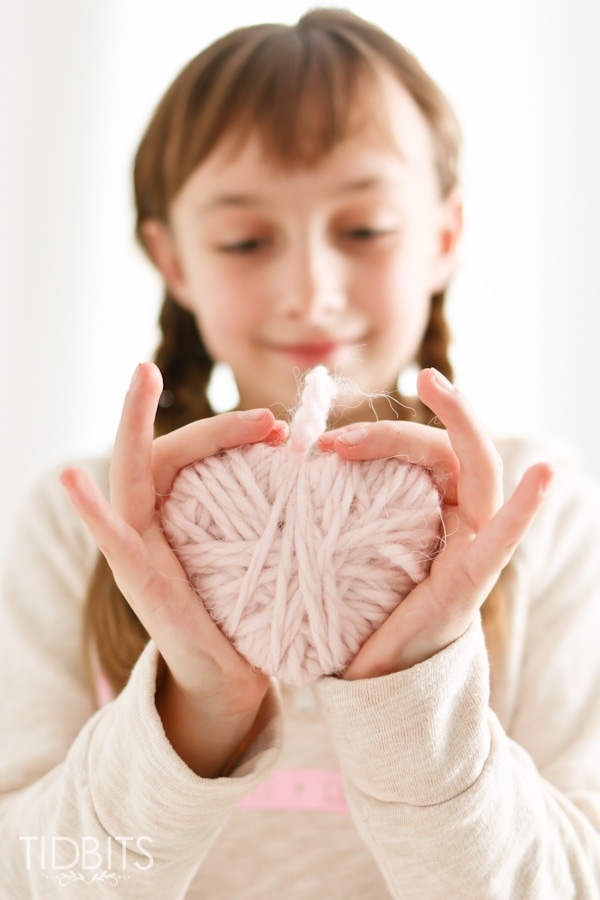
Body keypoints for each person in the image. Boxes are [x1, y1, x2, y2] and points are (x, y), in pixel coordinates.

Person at [1, 7, 599, 897]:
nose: (312, 292)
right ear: (171, 259)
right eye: (247, 240)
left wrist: (413, 682)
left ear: (442, 235)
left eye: (365, 231)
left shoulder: (528, 518)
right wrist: (196, 712)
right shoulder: (82, 521)